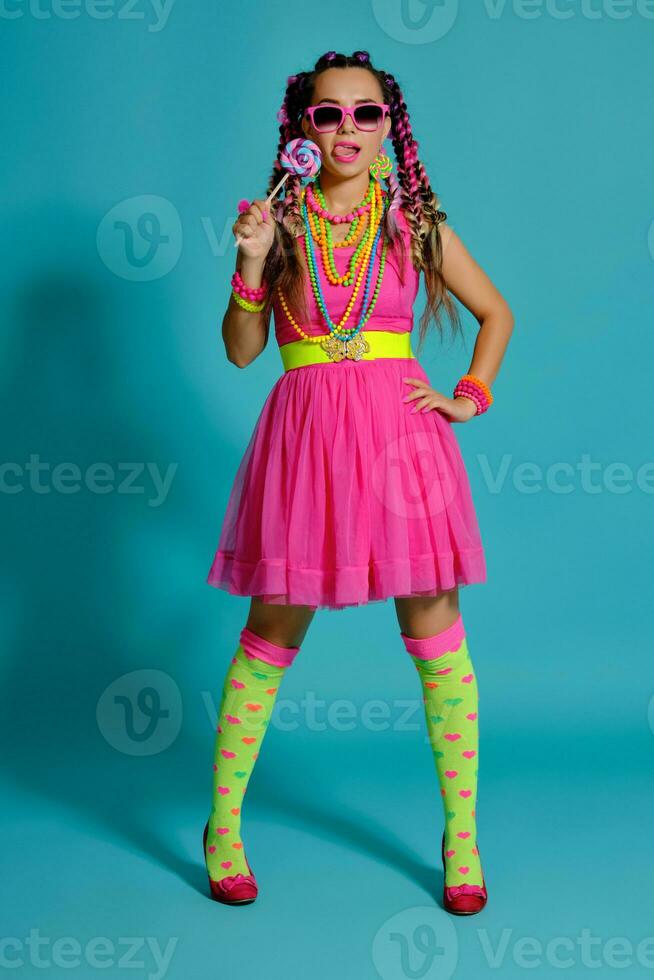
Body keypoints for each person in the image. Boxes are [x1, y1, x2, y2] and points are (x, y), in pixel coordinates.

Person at [202, 49, 514, 914]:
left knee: (438, 629)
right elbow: (240, 351)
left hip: (401, 445)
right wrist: (253, 260)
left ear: (391, 125)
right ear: (302, 127)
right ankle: (222, 825)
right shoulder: (282, 219)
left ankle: (462, 837)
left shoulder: (413, 222)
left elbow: (497, 314)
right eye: (328, 113)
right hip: (305, 443)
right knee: (270, 628)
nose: (347, 129)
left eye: (365, 113)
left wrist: (468, 396)